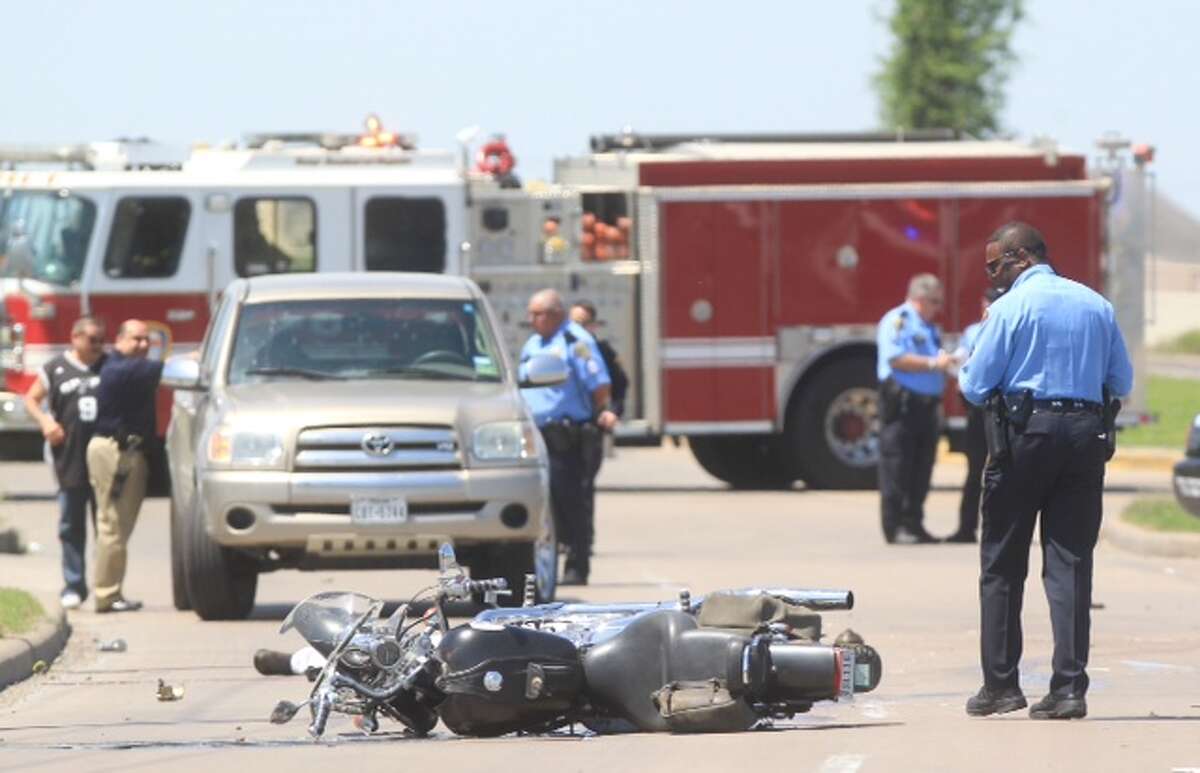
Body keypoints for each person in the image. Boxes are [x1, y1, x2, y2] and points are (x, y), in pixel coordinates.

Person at [959, 222, 1133, 720]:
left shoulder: (1010, 308)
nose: (993, 277)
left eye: (995, 266)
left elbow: (975, 385)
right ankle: (1069, 689)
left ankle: (1000, 686)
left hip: (1024, 436)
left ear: (1019, 258)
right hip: (1084, 437)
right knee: (1071, 565)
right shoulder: (1097, 305)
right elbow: (1121, 379)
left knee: (1001, 564)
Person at [520, 289, 617, 585]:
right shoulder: (534, 343)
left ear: (556, 314)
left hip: (567, 434)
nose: (532, 319)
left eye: (538, 313)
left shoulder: (576, 341)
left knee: (571, 500)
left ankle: (577, 564)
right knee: (544, 499)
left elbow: (599, 384)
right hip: (537, 433)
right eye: (531, 313)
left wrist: (602, 412)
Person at [22, 316, 107, 610]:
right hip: (68, 457)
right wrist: (46, 422)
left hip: (103, 457)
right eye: (92, 340)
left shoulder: (109, 366)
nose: (97, 346)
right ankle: (73, 584)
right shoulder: (55, 368)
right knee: (71, 525)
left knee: (106, 527)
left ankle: (105, 587)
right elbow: (31, 399)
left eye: (101, 340)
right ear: (75, 337)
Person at [86, 319, 165, 613]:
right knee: (112, 526)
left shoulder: (123, 365)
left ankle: (111, 591)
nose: (143, 345)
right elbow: (166, 370)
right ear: (119, 340)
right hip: (115, 453)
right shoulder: (124, 367)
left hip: (123, 451)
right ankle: (106, 594)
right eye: (136, 339)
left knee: (117, 526)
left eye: (147, 340)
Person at [875, 273, 955, 544]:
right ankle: (895, 526)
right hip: (903, 405)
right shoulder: (899, 321)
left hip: (927, 407)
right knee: (897, 467)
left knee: (922, 469)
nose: (938, 307)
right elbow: (896, 358)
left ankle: (914, 523)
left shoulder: (928, 327)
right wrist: (934, 365)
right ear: (920, 298)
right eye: (934, 301)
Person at [947, 288, 1002, 544]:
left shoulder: (1007, 327)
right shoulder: (973, 332)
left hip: (1001, 409)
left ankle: (998, 530)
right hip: (978, 410)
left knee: (1003, 472)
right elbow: (962, 368)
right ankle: (966, 527)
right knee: (974, 473)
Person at [569, 301, 629, 421]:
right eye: (572, 323)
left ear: (593, 325)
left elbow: (620, 383)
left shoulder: (602, 351)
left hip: (593, 421)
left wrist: (613, 411)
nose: (576, 328)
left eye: (581, 324)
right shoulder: (562, 349)